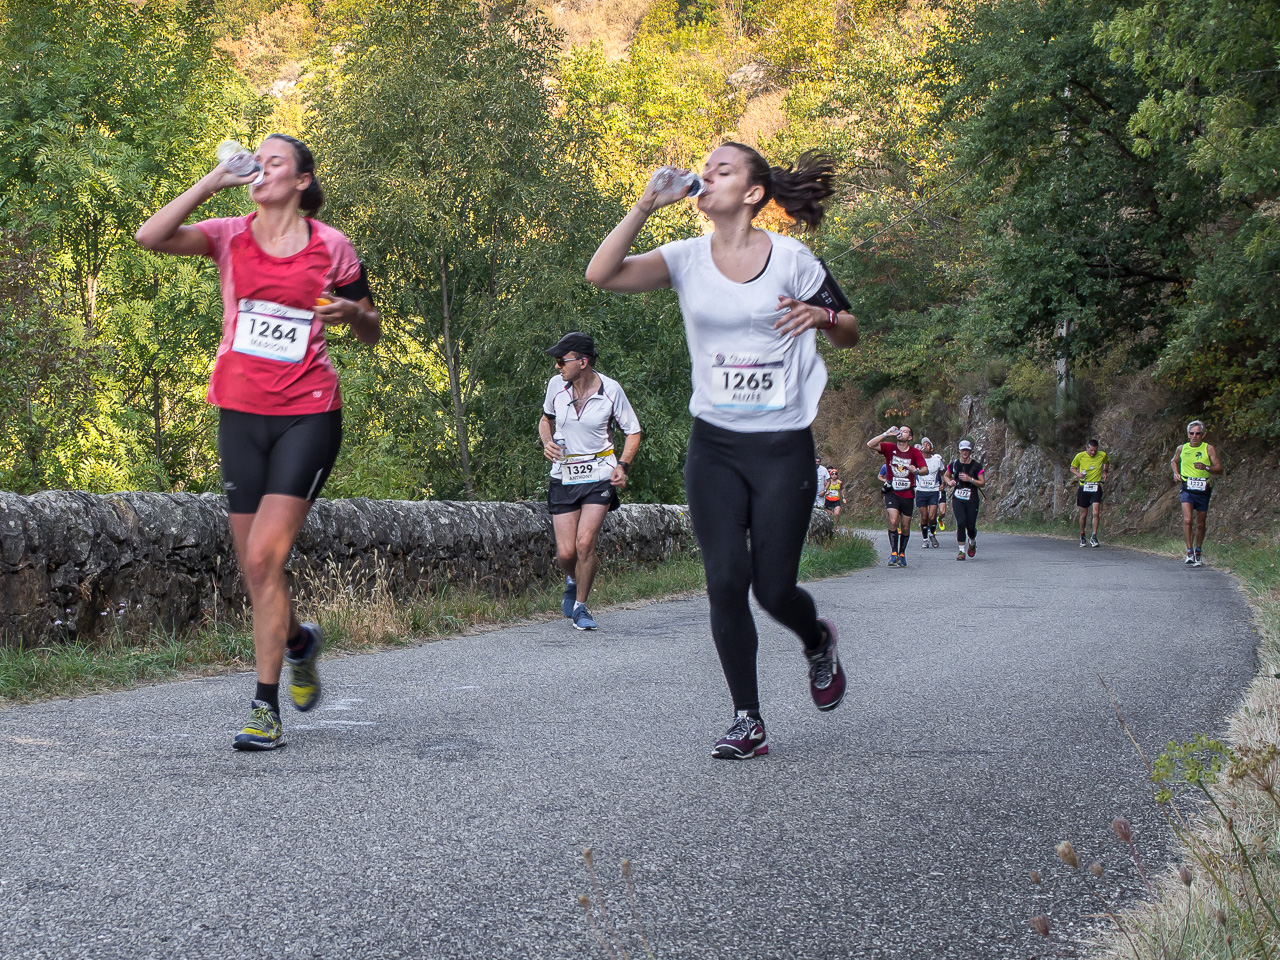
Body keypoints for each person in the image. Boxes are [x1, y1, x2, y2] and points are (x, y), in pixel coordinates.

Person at [585, 142, 860, 759]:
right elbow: (601, 275)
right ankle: (748, 719)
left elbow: (850, 329)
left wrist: (819, 317)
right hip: (714, 445)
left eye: (722, 171)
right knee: (726, 581)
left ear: (753, 193)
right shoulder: (684, 258)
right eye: (703, 171)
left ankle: (816, 638)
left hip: (783, 447)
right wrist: (646, 203)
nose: (705, 178)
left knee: (774, 589)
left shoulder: (792, 260)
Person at [135, 135, 380, 751]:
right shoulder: (228, 234)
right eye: (258, 162)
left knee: (266, 558)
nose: (261, 169)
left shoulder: (332, 246)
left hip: (309, 414)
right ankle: (299, 642)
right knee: (255, 567)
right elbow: (151, 236)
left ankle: (264, 709)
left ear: (301, 181)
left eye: (276, 162)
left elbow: (372, 327)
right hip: (240, 414)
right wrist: (213, 180)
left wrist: (350, 315)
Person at [538, 332, 642, 630]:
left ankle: (582, 607)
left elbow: (632, 431)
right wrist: (547, 442)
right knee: (566, 552)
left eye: (562, 360)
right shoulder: (555, 387)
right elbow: (546, 420)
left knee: (585, 543)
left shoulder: (611, 390)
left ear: (582, 362)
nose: (558, 366)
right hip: (564, 474)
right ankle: (572, 579)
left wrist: (622, 465)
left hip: (599, 473)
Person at [867, 425, 926, 566]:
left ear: (910, 437)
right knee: (893, 521)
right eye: (900, 430)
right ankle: (893, 553)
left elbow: (925, 470)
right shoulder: (889, 448)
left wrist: (916, 471)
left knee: (905, 527)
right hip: (892, 492)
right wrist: (886, 434)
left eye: (905, 431)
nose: (901, 432)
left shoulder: (915, 452)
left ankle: (902, 553)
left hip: (907, 493)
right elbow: (870, 444)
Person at [1169, 420, 1223, 566]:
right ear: (1188, 435)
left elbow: (1219, 469)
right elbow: (1174, 461)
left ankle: (1198, 551)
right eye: (1192, 433)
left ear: (1203, 435)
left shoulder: (1209, 449)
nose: (1194, 436)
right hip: (1187, 487)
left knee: (1200, 523)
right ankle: (1189, 551)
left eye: (1198, 433)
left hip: (1203, 489)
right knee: (1187, 520)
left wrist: (1206, 467)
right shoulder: (1182, 448)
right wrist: (1176, 473)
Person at [945, 440, 986, 560]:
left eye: (967, 450)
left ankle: (972, 541)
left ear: (970, 451)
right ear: (959, 450)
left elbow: (982, 483)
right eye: (963, 450)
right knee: (961, 523)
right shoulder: (955, 464)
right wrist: (949, 482)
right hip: (958, 498)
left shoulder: (976, 466)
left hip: (972, 499)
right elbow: (946, 476)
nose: (965, 452)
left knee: (971, 526)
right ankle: (961, 551)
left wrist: (970, 479)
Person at [1070, 438, 1109, 547]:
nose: (1093, 453)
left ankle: (1094, 536)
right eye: (1091, 450)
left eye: (1095, 450)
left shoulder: (1102, 455)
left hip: (1096, 486)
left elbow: (1106, 462)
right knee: (1084, 514)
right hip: (1084, 487)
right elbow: (1072, 467)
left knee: (1096, 512)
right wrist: (1078, 474)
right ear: (1086, 448)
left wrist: (1105, 471)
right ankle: (1082, 535)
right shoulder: (1080, 456)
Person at [914, 437, 945, 548]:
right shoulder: (917, 459)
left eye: (928, 444)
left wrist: (943, 484)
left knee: (932, 517)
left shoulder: (937, 460)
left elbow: (943, 473)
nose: (925, 446)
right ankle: (925, 539)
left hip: (933, 490)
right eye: (924, 444)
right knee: (924, 517)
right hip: (921, 491)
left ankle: (932, 534)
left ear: (932, 448)